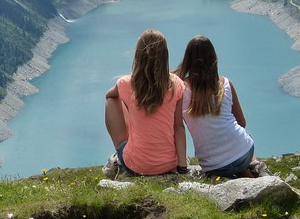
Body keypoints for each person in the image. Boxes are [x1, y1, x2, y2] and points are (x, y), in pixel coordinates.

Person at [174, 35, 268, 178]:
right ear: (213, 57)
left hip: (212, 165)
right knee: (239, 152)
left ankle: (247, 174)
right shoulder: (225, 84)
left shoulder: (180, 89)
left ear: (187, 59)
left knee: (229, 162)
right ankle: (255, 169)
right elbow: (242, 122)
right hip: (244, 153)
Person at [104, 29, 188, 176]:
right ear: (165, 55)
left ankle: (123, 152)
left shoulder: (126, 83)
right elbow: (178, 126)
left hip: (136, 165)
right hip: (168, 163)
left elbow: (109, 95)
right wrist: (182, 167)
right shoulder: (176, 84)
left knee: (112, 101)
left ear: (138, 55)